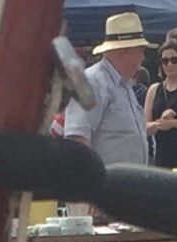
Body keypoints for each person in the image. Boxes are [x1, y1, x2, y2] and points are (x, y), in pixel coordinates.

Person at [61, 10, 153, 171]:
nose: (143, 57)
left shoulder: (124, 86)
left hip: (124, 183)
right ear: (124, 52)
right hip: (105, 184)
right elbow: (77, 138)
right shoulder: (93, 81)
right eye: (140, 50)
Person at [145, 37, 177, 165]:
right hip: (162, 158)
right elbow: (144, 127)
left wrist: (174, 123)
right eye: (165, 61)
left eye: (174, 60)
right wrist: (160, 123)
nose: (169, 65)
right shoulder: (154, 89)